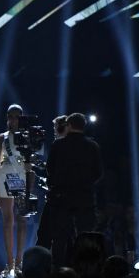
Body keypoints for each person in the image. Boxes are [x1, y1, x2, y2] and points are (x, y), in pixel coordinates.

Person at [38, 113, 103, 266]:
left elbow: (49, 169)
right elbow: (99, 172)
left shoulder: (58, 145)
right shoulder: (92, 146)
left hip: (61, 198)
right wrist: (86, 184)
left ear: (68, 125)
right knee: (86, 236)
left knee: (59, 238)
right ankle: (86, 269)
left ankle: (59, 271)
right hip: (84, 198)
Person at [0, 104, 33, 278]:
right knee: (8, 221)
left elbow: (31, 165)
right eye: (10, 116)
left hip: (22, 178)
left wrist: (30, 189)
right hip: (6, 177)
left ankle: (20, 261)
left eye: (16, 117)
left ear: (21, 118)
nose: (12, 120)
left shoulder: (27, 136)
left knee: (22, 221)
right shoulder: (2, 137)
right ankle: (10, 263)